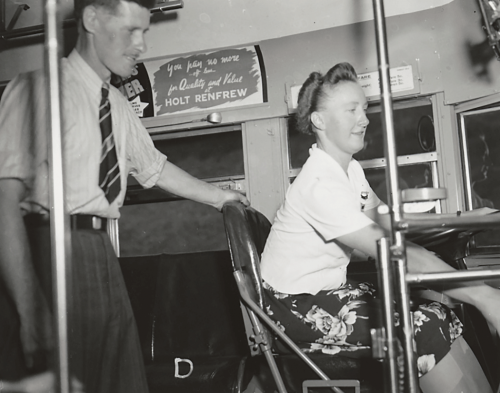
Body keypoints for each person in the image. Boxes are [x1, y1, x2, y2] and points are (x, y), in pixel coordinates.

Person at [0, 0, 249, 392]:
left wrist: (221, 197)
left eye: (144, 32)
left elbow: (155, 168)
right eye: (132, 30)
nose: (141, 45)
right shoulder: (35, 89)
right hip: (49, 252)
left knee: (120, 381)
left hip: (101, 254)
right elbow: (4, 206)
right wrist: (29, 310)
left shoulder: (117, 104)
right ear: (91, 19)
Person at [260, 62, 500, 392]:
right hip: (292, 308)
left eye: (365, 108)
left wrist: (460, 219)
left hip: (326, 293)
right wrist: (483, 296)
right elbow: (387, 248)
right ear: (318, 120)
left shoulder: (349, 170)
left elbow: (384, 219)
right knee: (425, 325)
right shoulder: (318, 185)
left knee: (436, 309)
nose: (364, 118)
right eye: (351, 110)